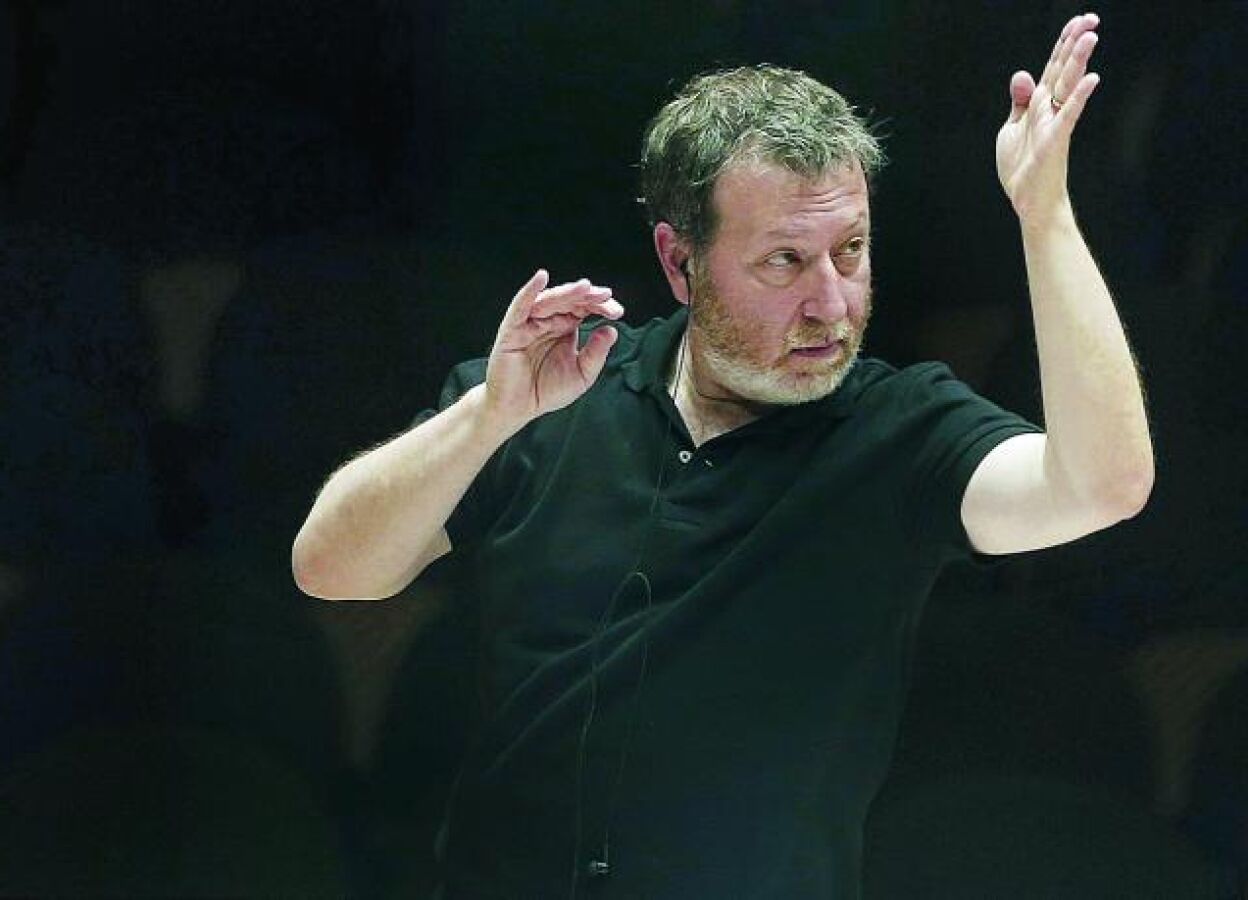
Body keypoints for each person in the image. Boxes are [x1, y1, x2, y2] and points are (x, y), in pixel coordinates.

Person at [293, 12, 1151, 899]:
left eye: (850, 251)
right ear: (680, 262)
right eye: (784, 261)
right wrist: (487, 416)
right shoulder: (548, 398)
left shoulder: (902, 431)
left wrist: (1045, 217)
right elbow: (331, 569)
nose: (831, 303)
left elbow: (1103, 486)